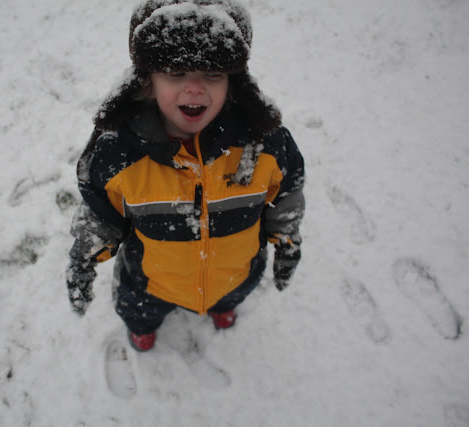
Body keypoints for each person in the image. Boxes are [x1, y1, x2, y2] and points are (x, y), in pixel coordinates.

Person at [66, 0, 305, 352]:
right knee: (138, 310)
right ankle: (143, 329)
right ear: (148, 82)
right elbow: (101, 212)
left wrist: (287, 240)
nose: (194, 88)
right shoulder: (120, 154)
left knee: (231, 293)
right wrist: (84, 258)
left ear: (233, 83)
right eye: (176, 73)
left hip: (235, 272)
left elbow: (287, 196)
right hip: (151, 281)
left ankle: (221, 306)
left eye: (213, 75)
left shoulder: (265, 145)